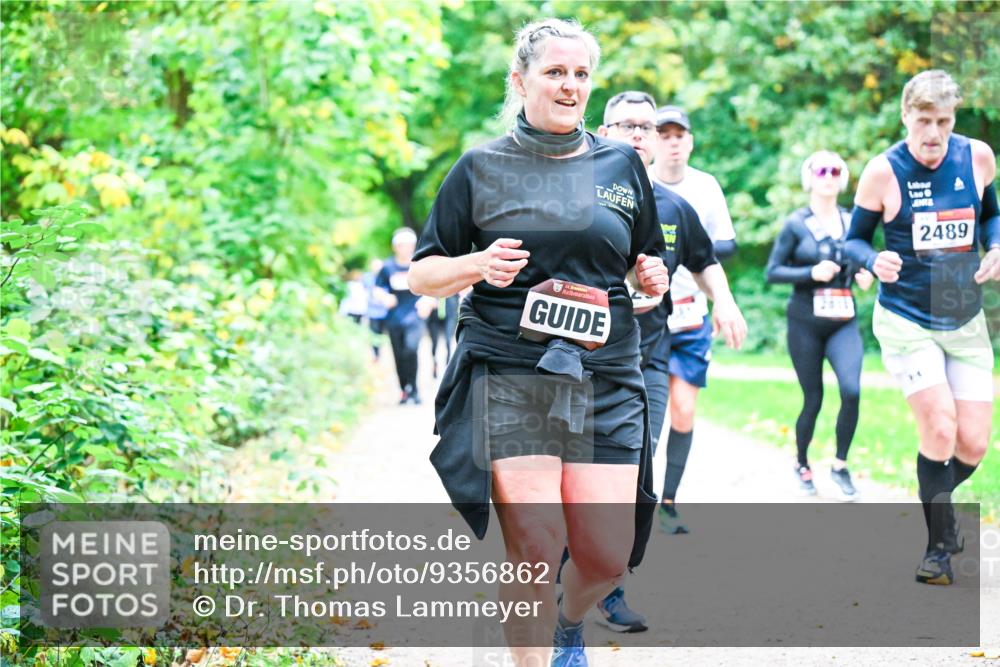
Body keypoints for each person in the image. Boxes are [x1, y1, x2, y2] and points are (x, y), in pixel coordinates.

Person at [408, 19, 669, 667]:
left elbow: (643, 259)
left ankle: (568, 621)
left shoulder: (620, 166)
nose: (570, 85)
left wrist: (651, 275)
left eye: (581, 74)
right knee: (536, 542)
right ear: (520, 81)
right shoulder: (481, 167)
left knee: (605, 557)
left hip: (605, 375)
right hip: (512, 370)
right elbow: (423, 274)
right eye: (555, 72)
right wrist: (476, 265)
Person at [592, 90, 747, 633]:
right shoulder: (580, 196)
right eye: (626, 125)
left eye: (647, 127)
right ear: (603, 133)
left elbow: (705, 261)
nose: (638, 134)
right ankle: (567, 570)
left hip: (649, 359)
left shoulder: (675, 207)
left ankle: (610, 587)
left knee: (634, 473)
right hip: (584, 360)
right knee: (580, 475)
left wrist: (725, 302)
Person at [845, 70, 999, 585]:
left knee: (972, 443)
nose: (934, 133)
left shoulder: (977, 157)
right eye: (924, 121)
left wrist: (996, 245)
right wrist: (872, 260)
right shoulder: (883, 171)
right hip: (906, 317)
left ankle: (941, 511)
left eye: (944, 121)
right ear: (906, 116)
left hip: (965, 316)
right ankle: (938, 550)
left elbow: (991, 214)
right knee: (939, 427)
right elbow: (853, 240)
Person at [649, 104, 740, 533]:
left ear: (690, 142)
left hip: (690, 313)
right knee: (646, 415)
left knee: (683, 410)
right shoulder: (638, 185)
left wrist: (688, 246)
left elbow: (727, 245)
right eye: (663, 134)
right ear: (653, 141)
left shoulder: (705, 187)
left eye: (679, 135)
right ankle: (634, 500)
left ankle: (668, 502)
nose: (672, 142)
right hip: (647, 317)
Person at [766, 151, 874, 500]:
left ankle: (840, 466)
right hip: (805, 323)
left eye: (835, 170)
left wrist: (865, 273)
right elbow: (773, 272)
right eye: (821, 170)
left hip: (843, 322)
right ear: (809, 177)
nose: (828, 176)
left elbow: (863, 260)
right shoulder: (796, 224)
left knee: (851, 391)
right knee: (813, 398)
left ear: (843, 179)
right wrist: (810, 272)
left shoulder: (853, 221)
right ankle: (802, 463)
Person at [375, 228, 436, 404]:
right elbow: (377, 288)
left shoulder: (420, 265)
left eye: (408, 244)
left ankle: (414, 389)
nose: (405, 248)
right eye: (401, 245)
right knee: (399, 354)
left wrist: (428, 300)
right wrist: (384, 297)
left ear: (413, 245)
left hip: (415, 316)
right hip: (394, 317)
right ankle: (404, 390)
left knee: (411, 349)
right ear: (395, 247)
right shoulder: (387, 267)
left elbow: (434, 286)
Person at [426, 294, 459, 378]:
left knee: (448, 341)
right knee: (434, 343)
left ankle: (448, 366)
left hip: (449, 313)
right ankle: (435, 364)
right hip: (434, 316)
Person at [363, 258, 388, 360]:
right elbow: (364, 292)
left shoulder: (386, 276)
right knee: (374, 333)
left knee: (383, 333)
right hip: (372, 312)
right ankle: (376, 354)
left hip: (385, 311)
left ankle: (381, 353)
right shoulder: (367, 277)